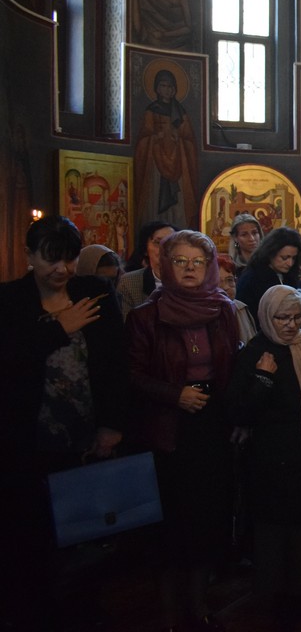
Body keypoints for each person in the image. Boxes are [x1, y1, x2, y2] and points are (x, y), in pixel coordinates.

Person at [0, 216, 128, 629]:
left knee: (87, 535)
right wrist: (58, 329)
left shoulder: (95, 292)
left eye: (70, 258)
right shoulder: (10, 300)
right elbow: (8, 362)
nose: (62, 269)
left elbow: (115, 363)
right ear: (29, 255)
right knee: (29, 537)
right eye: (51, 259)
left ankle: (82, 612)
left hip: (86, 437)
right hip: (28, 439)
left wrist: (112, 424)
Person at [125, 230, 240, 632]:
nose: (190, 269)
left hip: (212, 422)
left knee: (207, 517)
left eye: (198, 262)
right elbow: (131, 376)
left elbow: (232, 366)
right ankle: (171, 611)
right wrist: (176, 395)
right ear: (165, 266)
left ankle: (199, 602)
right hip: (168, 426)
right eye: (180, 261)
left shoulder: (223, 309)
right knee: (172, 521)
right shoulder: (145, 316)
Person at [229, 284, 301, 630]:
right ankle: (274, 600)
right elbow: (240, 412)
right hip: (270, 460)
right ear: (266, 316)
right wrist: (263, 378)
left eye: (297, 317)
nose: (291, 325)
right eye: (282, 318)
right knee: (275, 533)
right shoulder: (254, 353)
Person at [134, 67, 199, 229]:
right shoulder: (152, 110)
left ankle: (180, 227)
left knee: (178, 198)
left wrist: (179, 138)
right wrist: (156, 137)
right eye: (163, 86)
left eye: (170, 86)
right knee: (155, 194)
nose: (167, 90)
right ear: (157, 88)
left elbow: (189, 137)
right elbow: (144, 137)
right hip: (156, 161)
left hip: (177, 161)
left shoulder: (180, 112)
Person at [236, 226, 301, 320]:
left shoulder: (290, 275)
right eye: (284, 258)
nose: (290, 263)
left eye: (293, 258)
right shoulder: (252, 278)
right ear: (270, 253)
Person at [117, 221, 177, 318]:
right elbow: (128, 323)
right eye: (158, 242)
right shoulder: (129, 283)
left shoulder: (189, 279)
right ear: (145, 249)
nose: (165, 248)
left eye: (171, 243)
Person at [217, 254, 258, 344]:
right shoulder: (205, 314)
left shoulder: (242, 308)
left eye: (230, 280)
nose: (226, 287)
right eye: (218, 282)